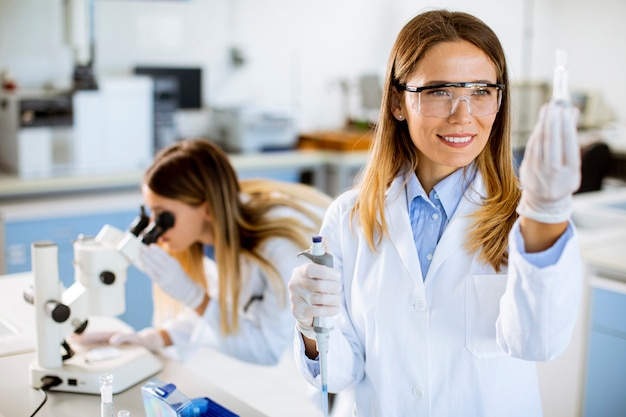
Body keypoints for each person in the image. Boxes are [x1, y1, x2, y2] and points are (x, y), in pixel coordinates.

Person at [288, 9, 583, 417]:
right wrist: (310, 328)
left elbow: (540, 343)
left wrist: (547, 215)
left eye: (481, 91)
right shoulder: (349, 217)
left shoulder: (528, 219)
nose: (463, 115)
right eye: (439, 91)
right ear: (397, 101)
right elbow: (338, 374)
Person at [75, 138, 332, 365]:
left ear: (206, 209)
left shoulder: (278, 248)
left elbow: (267, 349)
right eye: (150, 213)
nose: (155, 226)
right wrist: (155, 338)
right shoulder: (209, 238)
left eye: (163, 215)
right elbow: (219, 310)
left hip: (330, 362)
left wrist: (193, 295)